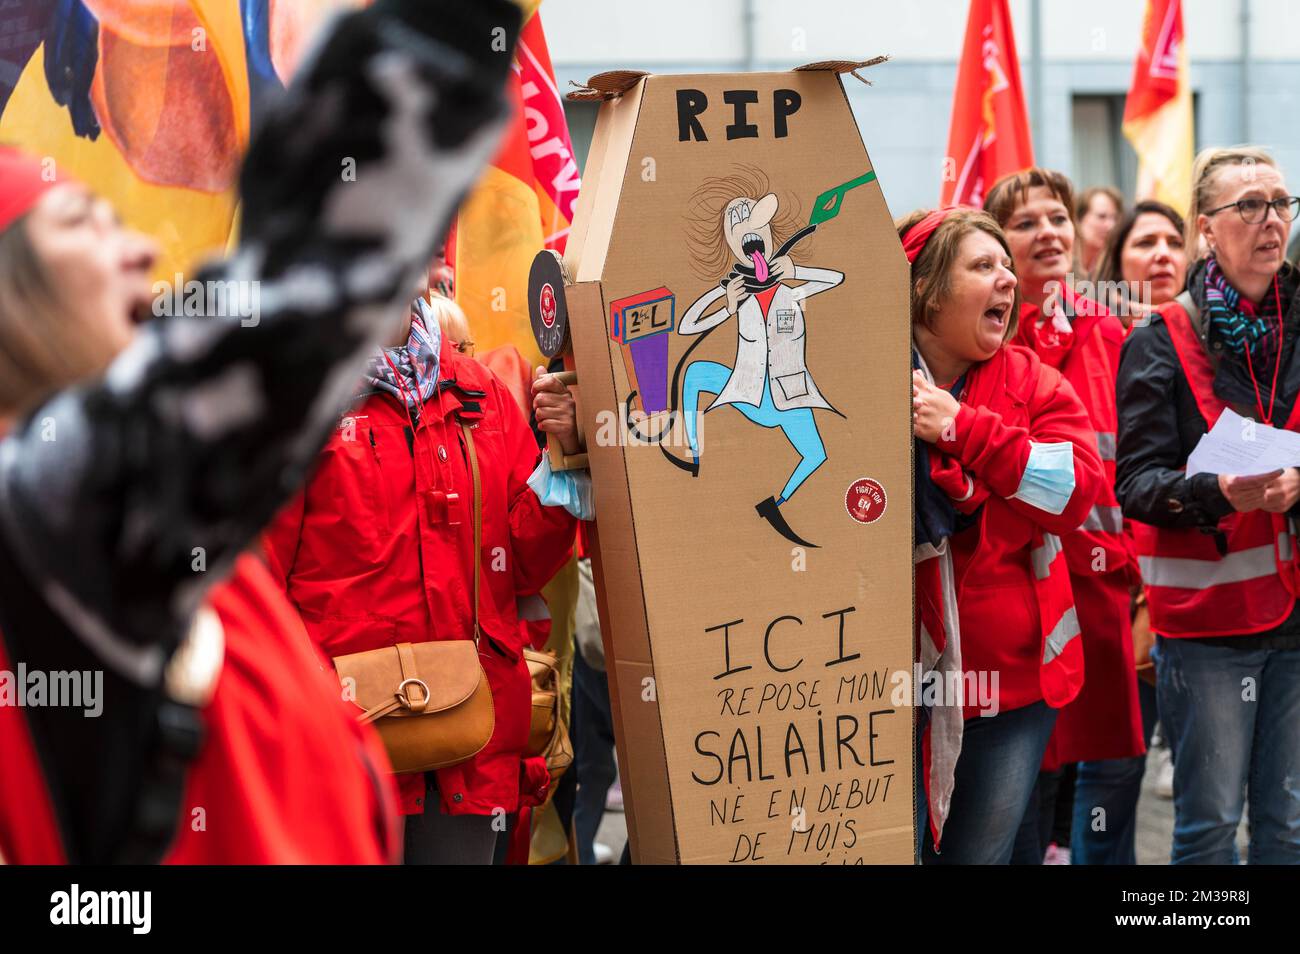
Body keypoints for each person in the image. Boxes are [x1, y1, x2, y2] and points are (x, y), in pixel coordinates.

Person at [0, 0, 522, 864]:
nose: (139, 250)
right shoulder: (53, 509)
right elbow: (298, 304)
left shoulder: (154, 525)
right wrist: (442, 32)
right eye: (82, 225)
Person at [262, 288, 585, 866]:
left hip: (468, 742)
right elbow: (257, 583)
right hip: (344, 742)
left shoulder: (480, 391)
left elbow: (525, 563)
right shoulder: (294, 401)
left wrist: (566, 452)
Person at [1116, 146, 1300, 864]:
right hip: (1209, 625)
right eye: (1248, 206)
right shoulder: (1161, 339)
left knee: (1286, 829)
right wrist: (1216, 492)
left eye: (1280, 203)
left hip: (1294, 613)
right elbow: (1133, 484)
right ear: (1205, 230)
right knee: (1212, 826)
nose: (1271, 220)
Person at [906, 206, 1103, 864]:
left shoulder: (1032, 381)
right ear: (925, 290)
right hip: (883, 684)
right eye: (982, 266)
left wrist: (962, 429)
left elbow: (1075, 492)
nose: (1008, 281)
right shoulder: (856, 379)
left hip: (1008, 689)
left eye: (1006, 267)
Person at [984, 169, 1146, 864]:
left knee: (1112, 770)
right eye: (1025, 223)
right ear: (996, 242)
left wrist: (1143, 584)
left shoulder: (1110, 328)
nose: (1048, 232)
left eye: (1057, 217)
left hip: (1108, 587)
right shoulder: (982, 333)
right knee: (1019, 786)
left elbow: (1134, 458)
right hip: (1019, 591)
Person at [1071, 200, 1189, 864]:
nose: (1164, 254)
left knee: (1208, 786)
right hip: (1119, 586)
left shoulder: (1215, 343)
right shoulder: (1093, 340)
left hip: (1204, 590)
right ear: (1115, 264)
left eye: (1176, 241)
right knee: (1114, 771)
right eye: (1145, 242)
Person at [1093, 200, 1189, 330]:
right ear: (1117, 260)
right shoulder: (1091, 335)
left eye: (1175, 244)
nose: (1164, 254)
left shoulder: (1215, 325)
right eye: (1145, 243)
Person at [1076, 186, 1124, 277]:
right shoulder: (1062, 263)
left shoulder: (1117, 266)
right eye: (1102, 216)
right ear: (1079, 219)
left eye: (1115, 218)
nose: (1111, 226)